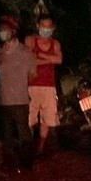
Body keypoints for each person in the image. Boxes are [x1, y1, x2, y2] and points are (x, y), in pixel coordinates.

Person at [0, 15, 37, 170]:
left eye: (5, 30)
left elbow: (33, 74)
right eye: (0, 31)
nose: (2, 33)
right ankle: (9, 163)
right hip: (3, 99)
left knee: (23, 132)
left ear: (13, 31)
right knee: (6, 134)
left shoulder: (25, 51)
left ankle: (27, 163)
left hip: (20, 99)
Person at [24, 15, 63, 157]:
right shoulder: (30, 40)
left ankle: (40, 147)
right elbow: (29, 60)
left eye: (49, 26)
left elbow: (59, 60)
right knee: (29, 117)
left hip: (49, 86)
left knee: (47, 119)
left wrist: (40, 55)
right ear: (37, 26)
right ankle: (28, 145)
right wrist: (49, 59)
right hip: (31, 85)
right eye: (43, 26)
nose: (46, 29)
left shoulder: (55, 43)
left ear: (53, 28)